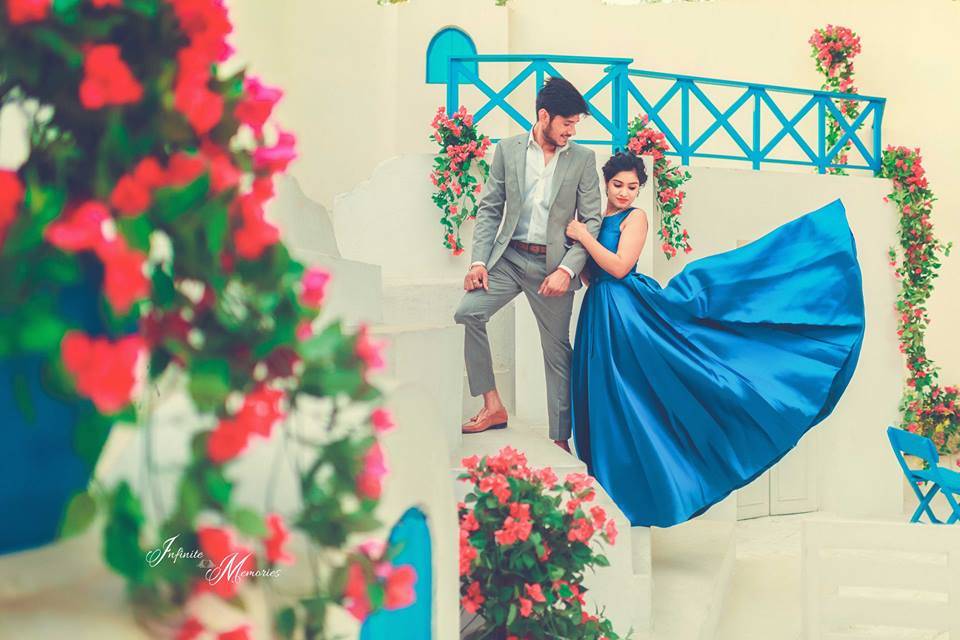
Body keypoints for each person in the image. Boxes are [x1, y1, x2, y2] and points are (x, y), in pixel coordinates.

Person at [565, 152, 865, 527]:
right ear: (605, 183)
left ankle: (654, 487)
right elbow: (594, 276)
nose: (625, 193)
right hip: (599, 312)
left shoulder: (634, 218)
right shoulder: (597, 219)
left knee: (638, 393)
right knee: (608, 398)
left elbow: (620, 267)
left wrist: (581, 236)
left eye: (633, 187)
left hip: (627, 312)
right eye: (618, 185)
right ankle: (611, 494)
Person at [454, 77, 602, 452]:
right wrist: (478, 262)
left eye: (575, 125)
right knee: (469, 313)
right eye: (566, 123)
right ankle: (492, 406)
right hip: (509, 258)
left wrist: (566, 270)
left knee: (557, 354)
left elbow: (592, 221)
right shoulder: (507, 150)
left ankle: (560, 440)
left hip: (553, 266)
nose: (571, 131)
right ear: (544, 115)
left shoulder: (583, 159)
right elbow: (490, 209)